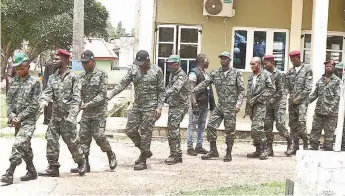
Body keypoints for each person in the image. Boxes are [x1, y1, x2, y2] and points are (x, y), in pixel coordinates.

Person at [107, 50, 165, 171]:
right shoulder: (134, 70)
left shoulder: (157, 71)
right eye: (138, 62)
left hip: (151, 106)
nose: (140, 65)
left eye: (142, 62)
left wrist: (159, 107)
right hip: (138, 105)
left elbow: (161, 91)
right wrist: (110, 94)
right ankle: (145, 150)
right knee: (130, 130)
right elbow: (123, 83)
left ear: (148, 60)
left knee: (145, 132)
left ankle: (143, 159)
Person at [38, 49, 87, 177]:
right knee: (51, 140)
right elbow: (48, 92)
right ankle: (53, 167)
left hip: (68, 117)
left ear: (65, 60)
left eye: (56, 59)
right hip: (55, 116)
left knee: (72, 142)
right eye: (53, 59)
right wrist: (43, 101)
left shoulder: (73, 77)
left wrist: (72, 116)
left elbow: (77, 99)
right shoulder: (53, 77)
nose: (53, 61)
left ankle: (82, 163)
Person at [192, 51, 245, 162]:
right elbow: (205, 83)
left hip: (231, 107)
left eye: (225, 58)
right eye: (221, 58)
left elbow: (241, 91)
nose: (223, 60)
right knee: (211, 125)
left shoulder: (236, 73)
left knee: (229, 131)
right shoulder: (215, 73)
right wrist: (194, 90)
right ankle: (213, 151)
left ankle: (228, 153)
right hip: (220, 106)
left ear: (230, 60)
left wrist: (238, 104)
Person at [69, 50, 117, 173]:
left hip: (99, 112)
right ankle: (85, 164)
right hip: (86, 113)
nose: (84, 65)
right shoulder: (81, 77)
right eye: (83, 63)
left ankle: (110, 154)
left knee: (99, 136)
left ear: (93, 62)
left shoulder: (102, 75)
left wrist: (89, 104)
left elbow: (102, 95)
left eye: (87, 62)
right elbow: (78, 95)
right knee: (83, 138)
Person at [1, 53, 41, 185]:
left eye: (22, 68)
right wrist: (12, 115)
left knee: (18, 144)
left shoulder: (35, 82)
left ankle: (9, 173)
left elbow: (35, 104)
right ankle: (32, 171)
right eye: (17, 69)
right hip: (16, 120)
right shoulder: (14, 81)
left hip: (28, 120)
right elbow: (9, 100)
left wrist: (20, 116)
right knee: (25, 147)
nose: (19, 71)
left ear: (28, 67)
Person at [245, 57, 275, 160]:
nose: (251, 66)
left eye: (253, 64)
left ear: (259, 64)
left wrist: (259, 99)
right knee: (254, 129)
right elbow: (250, 91)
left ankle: (265, 148)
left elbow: (271, 90)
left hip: (260, 105)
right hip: (251, 106)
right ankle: (258, 150)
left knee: (257, 127)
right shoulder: (250, 77)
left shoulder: (266, 75)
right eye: (250, 64)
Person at [262, 55, 293, 156]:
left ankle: (290, 142)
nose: (264, 65)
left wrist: (271, 100)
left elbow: (281, 91)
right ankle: (269, 149)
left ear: (272, 62)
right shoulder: (264, 74)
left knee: (280, 125)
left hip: (278, 103)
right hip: (268, 104)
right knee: (267, 126)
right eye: (263, 63)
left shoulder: (280, 74)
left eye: (266, 63)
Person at [187, 54, 215, 156]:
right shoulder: (194, 73)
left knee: (202, 125)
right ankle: (190, 147)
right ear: (202, 61)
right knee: (192, 125)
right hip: (197, 104)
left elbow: (208, 89)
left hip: (204, 104)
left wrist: (212, 103)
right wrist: (194, 103)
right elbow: (191, 90)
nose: (208, 62)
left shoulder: (205, 73)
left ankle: (199, 146)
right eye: (207, 60)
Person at [285, 51, 313, 155]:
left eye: (294, 59)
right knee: (292, 125)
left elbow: (308, 88)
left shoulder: (307, 69)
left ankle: (306, 144)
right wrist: (286, 96)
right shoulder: (290, 71)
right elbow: (286, 86)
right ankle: (294, 146)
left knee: (301, 124)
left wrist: (299, 99)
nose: (292, 61)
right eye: (291, 60)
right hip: (292, 102)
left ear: (299, 57)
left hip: (301, 103)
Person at [308, 60, 340, 151]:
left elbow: (337, 98)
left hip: (331, 113)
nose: (328, 68)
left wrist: (330, 109)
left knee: (329, 133)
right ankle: (313, 148)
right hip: (319, 111)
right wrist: (306, 101)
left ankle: (328, 149)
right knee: (315, 131)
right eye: (326, 66)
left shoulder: (337, 81)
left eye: (330, 66)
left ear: (334, 68)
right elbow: (315, 94)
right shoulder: (321, 80)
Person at [164, 55, 190, 165]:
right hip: (174, 104)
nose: (169, 66)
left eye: (171, 64)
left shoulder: (181, 75)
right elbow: (169, 87)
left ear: (177, 64)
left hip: (180, 105)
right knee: (172, 128)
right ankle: (177, 154)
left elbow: (175, 89)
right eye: (168, 64)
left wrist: (162, 95)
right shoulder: (173, 74)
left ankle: (174, 155)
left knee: (173, 129)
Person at [42, 50, 57, 125]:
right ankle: (48, 119)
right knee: (50, 103)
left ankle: (46, 119)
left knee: (46, 103)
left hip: (46, 84)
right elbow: (51, 76)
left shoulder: (48, 62)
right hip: (49, 85)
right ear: (53, 56)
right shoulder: (51, 64)